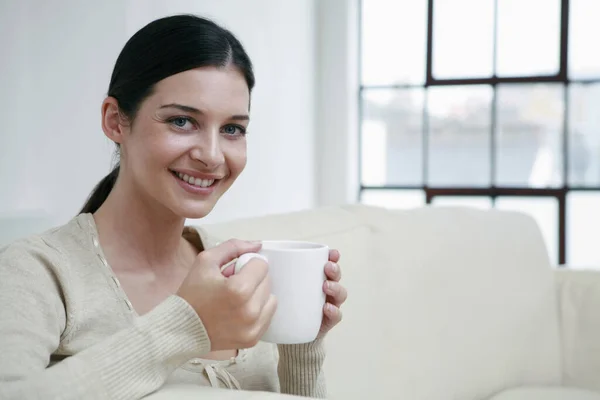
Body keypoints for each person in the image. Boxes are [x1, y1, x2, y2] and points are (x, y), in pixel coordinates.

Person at [0, 14, 347, 399]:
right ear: (115, 121)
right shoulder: (36, 271)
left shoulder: (237, 273)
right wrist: (186, 324)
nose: (213, 156)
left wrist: (302, 346)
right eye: (182, 121)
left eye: (232, 129)